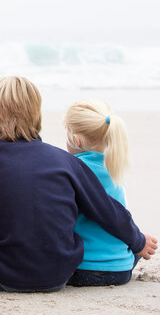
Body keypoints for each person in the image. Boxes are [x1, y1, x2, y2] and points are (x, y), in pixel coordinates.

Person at [0, 76, 157, 293]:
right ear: (37, 118)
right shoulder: (65, 161)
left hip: (3, 276)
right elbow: (106, 209)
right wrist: (138, 241)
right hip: (59, 275)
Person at [64, 100, 145, 286]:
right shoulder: (115, 169)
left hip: (81, 269)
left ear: (75, 139)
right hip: (122, 270)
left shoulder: (70, 170)